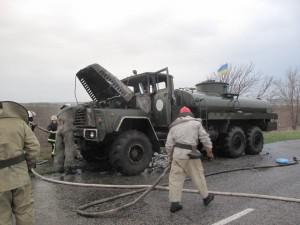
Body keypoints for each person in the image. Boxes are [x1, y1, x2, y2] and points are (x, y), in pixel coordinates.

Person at [165, 106, 215, 213]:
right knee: (198, 176)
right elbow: (205, 139)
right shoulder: (196, 123)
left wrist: (170, 158)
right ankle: (206, 197)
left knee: (175, 179)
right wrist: (209, 152)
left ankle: (175, 203)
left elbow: (169, 145)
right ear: (190, 114)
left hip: (177, 155)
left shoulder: (173, 126)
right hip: (191, 154)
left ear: (180, 115)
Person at [0, 101, 40, 225]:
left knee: (2, 215)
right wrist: (28, 164)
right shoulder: (19, 123)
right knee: (24, 212)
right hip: (20, 176)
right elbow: (34, 148)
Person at [55, 104, 83, 174]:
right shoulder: (71, 110)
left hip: (58, 131)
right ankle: (69, 168)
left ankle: (59, 168)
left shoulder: (60, 112)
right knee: (69, 148)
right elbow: (81, 107)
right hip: (67, 131)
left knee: (59, 150)